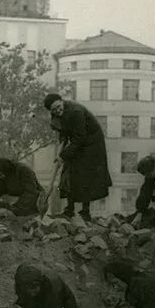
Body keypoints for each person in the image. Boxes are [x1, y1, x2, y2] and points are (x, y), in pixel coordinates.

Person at [43, 93, 111, 222]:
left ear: (62, 101)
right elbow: (63, 134)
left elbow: (79, 138)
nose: (58, 111)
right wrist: (60, 153)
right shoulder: (57, 114)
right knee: (69, 173)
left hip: (91, 144)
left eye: (58, 107)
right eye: (54, 110)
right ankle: (69, 210)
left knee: (85, 175)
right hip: (78, 142)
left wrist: (63, 155)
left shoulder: (76, 112)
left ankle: (85, 213)